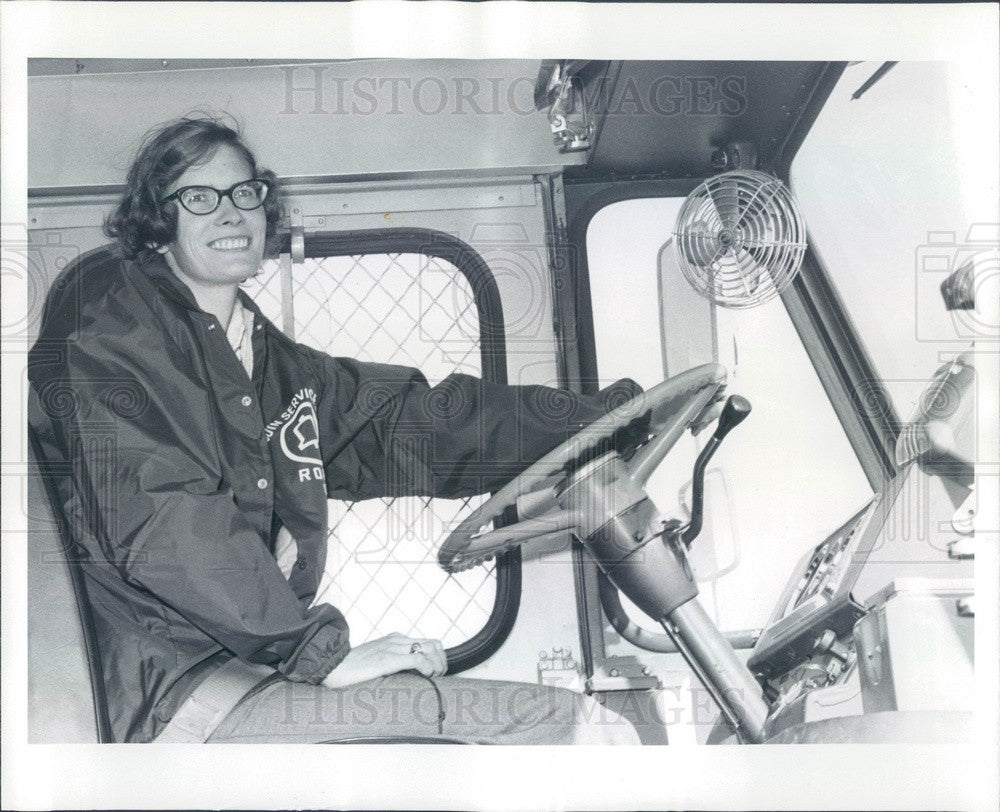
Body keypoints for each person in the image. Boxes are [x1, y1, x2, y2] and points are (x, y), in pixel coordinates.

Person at [28, 116, 646, 744]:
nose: (231, 213)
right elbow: (166, 517)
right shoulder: (114, 332)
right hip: (178, 696)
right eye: (198, 197)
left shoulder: (267, 362)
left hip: (253, 671)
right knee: (567, 728)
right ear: (157, 225)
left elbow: (414, 427)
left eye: (246, 193)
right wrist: (319, 653)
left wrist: (598, 419)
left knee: (549, 723)